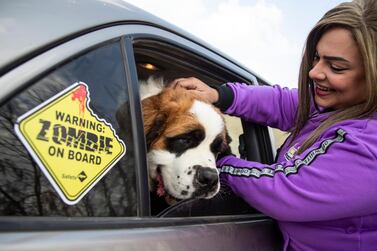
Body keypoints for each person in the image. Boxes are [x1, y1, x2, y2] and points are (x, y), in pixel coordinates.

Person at [174, 0, 377, 250]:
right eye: (316, 58)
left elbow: (284, 190)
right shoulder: (335, 106)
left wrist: (219, 163)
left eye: (336, 67)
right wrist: (220, 96)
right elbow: (282, 102)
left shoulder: (368, 147)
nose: (314, 72)